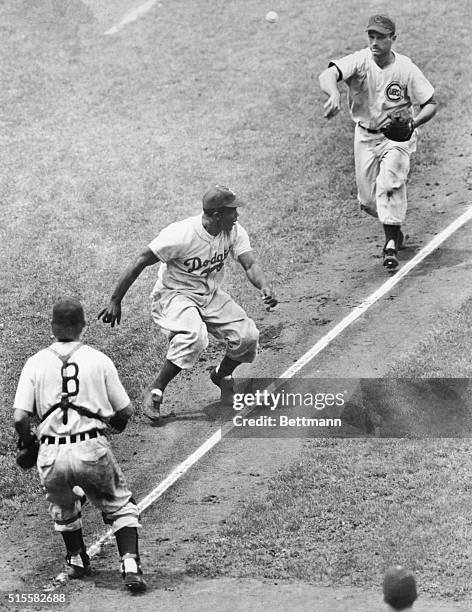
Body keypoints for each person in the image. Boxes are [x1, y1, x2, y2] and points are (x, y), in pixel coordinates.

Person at [98, 184, 277, 420]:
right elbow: (141, 260)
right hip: (175, 295)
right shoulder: (181, 234)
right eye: (232, 211)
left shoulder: (233, 231)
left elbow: (250, 264)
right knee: (194, 336)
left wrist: (263, 286)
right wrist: (115, 299)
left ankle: (221, 375)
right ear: (216, 215)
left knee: (247, 336)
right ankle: (155, 391)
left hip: (209, 294)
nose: (237, 215)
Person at [13, 298, 146, 593]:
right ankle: (130, 565)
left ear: (52, 327)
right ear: (83, 326)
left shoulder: (35, 363)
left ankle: (75, 559)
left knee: (63, 504)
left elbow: (20, 417)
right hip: (91, 449)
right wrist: (113, 427)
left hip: (50, 454)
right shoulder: (98, 359)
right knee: (122, 505)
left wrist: (28, 442)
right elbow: (125, 411)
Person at [319, 14, 437, 270]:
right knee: (368, 201)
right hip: (364, 136)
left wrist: (412, 125)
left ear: (393, 39)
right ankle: (394, 229)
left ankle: (390, 246)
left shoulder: (405, 68)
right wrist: (333, 93)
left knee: (390, 181)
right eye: (371, 36)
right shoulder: (360, 61)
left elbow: (430, 103)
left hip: (397, 136)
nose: (374, 42)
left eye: (381, 37)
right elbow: (328, 74)